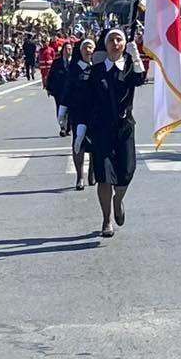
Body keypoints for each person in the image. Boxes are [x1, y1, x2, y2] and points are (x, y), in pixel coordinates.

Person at [84, 28, 146, 237]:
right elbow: (88, 100)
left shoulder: (129, 68)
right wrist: (82, 128)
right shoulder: (96, 71)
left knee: (126, 172)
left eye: (119, 39)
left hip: (124, 128)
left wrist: (136, 56)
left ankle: (118, 200)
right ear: (106, 45)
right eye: (111, 40)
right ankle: (106, 219)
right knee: (104, 176)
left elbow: (139, 79)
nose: (115, 43)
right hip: (101, 129)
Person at [58, 39, 97, 190]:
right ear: (80, 51)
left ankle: (93, 171)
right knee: (78, 143)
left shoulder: (98, 68)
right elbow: (67, 89)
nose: (88, 50)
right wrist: (62, 110)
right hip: (78, 112)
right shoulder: (74, 69)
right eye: (85, 48)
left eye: (91, 47)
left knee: (95, 143)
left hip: (95, 113)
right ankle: (79, 176)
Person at [47, 40, 74, 136]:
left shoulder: (75, 63)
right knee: (60, 108)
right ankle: (62, 127)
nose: (68, 51)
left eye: (70, 49)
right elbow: (51, 75)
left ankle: (69, 127)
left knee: (71, 109)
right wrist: (49, 88)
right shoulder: (57, 63)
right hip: (59, 90)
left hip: (71, 91)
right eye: (66, 49)